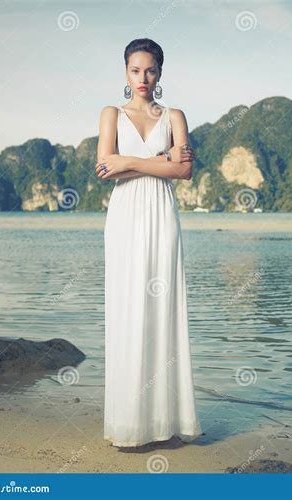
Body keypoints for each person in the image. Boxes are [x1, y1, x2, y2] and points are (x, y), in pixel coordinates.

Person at [95, 38, 202, 448]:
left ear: (160, 72)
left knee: (163, 309)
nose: (143, 78)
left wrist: (130, 162)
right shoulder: (111, 114)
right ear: (126, 72)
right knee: (129, 310)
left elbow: (185, 172)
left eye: (151, 70)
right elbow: (105, 167)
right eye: (136, 70)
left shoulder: (175, 115)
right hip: (124, 218)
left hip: (162, 216)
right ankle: (129, 424)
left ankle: (165, 421)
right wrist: (162, 160)